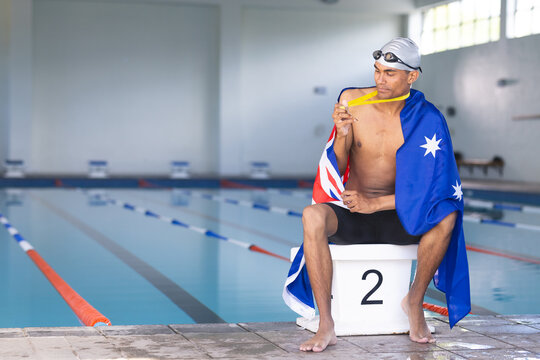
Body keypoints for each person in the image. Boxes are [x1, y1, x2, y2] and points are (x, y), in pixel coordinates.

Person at [282, 37, 471, 352]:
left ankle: (414, 299)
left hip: (401, 215)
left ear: (412, 76)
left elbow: (432, 191)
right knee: (311, 216)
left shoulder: (428, 119)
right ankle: (326, 323)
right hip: (354, 212)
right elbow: (338, 162)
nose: (380, 80)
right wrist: (342, 135)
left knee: (447, 215)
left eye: (390, 74)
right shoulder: (352, 101)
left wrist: (377, 203)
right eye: (377, 70)